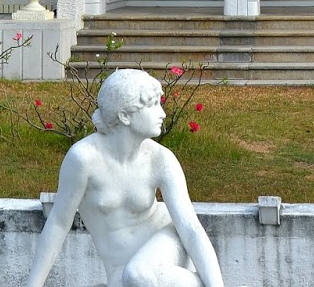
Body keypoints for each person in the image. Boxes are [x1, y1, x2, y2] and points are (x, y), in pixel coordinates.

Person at [24, 69, 226, 287]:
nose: (163, 114)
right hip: (122, 272)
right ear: (125, 116)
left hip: (166, 244)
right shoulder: (83, 159)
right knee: (131, 277)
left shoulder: (160, 159)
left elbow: (191, 229)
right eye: (153, 105)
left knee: (140, 274)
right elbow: (58, 223)